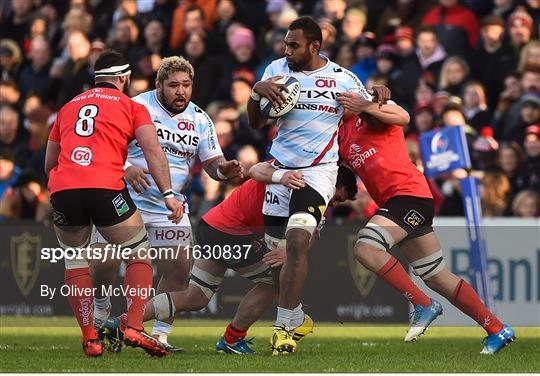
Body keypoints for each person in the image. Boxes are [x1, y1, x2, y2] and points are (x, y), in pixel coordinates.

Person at [245, 16, 390, 355]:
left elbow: (371, 104)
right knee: (276, 259)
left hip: (318, 173)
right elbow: (254, 122)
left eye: (293, 45)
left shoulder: (340, 78)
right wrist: (255, 94)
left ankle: (282, 329)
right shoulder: (275, 71)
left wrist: (379, 95)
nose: (287, 50)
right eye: (285, 44)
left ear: (314, 45)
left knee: (297, 242)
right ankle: (295, 317)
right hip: (279, 172)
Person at [336, 92, 516, 355]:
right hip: (401, 201)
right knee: (437, 277)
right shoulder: (341, 135)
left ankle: (422, 305)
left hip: (409, 194)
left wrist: (365, 104)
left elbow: (404, 116)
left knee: (366, 247)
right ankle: (497, 329)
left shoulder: (371, 109)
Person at [108, 165, 357, 354]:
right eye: (338, 196)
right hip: (229, 232)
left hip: (212, 227)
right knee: (275, 280)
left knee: (196, 297)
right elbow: (254, 169)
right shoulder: (298, 174)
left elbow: (311, 233)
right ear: (332, 179)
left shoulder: (313, 189)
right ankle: (232, 339)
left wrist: (288, 250)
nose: (334, 202)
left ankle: (122, 323)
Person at [90, 55, 243, 352]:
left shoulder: (200, 118)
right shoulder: (135, 106)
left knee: (177, 270)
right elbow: (104, 147)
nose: (181, 91)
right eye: (173, 85)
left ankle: (159, 335)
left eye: (186, 85)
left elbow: (212, 163)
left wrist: (225, 170)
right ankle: (100, 309)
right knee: (105, 263)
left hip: (169, 206)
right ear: (158, 85)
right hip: (124, 199)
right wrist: (126, 168)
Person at [44, 50, 183, 357]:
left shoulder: (67, 108)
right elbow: (153, 152)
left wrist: (60, 192)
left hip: (64, 190)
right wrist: (168, 194)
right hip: (105, 188)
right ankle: (133, 325)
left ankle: (90, 338)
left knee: (75, 260)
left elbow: (49, 162)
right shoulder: (131, 106)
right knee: (137, 250)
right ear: (124, 77)